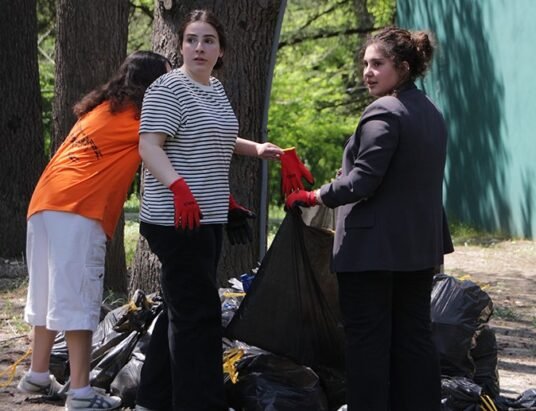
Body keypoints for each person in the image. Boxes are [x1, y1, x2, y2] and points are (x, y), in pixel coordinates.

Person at [286, 27, 454, 411]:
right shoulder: (430, 111)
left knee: (368, 344)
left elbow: (363, 180)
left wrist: (314, 195)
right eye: (365, 64)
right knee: (413, 337)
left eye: (377, 64)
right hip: (418, 248)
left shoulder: (384, 111)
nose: (368, 72)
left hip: (373, 251)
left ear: (404, 67)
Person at [133, 9, 283, 411]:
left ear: (221, 50)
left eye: (208, 40)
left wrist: (256, 149)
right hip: (175, 218)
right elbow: (149, 145)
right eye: (191, 40)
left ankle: (154, 397)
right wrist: (179, 187)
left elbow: (218, 136)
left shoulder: (213, 89)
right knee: (198, 314)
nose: (199, 48)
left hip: (209, 215)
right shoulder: (168, 88)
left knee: (181, 307)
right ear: (180, 46)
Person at [18, 51, 171, 411]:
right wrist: (254, 148)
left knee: (49, 295)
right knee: (78, 302)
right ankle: (81, 394)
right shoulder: (141, 117)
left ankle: (38, 374)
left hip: (44, 206)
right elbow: (185, 138)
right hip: (78, 210)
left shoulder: (102, 110)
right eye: (164, 79)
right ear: (151, 83)